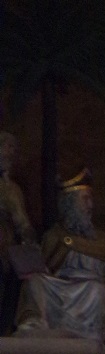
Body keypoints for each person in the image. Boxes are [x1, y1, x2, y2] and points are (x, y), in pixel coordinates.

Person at [14, 169, 105, 349]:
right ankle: (35, 325)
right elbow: (42, 267)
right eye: (85, 199)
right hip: (57, 289)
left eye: (91, 199)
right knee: (35, 282)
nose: (90, 205)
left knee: (98, 291)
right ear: (71, 204)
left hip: (87, 289)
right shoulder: (54, 236)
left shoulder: (99, 241)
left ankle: (86, 335)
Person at [0, 132, 36, 334]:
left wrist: (28, 237)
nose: (10, 153)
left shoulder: (12, 190)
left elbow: (22, 221)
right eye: (6, 147)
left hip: (5, 248)